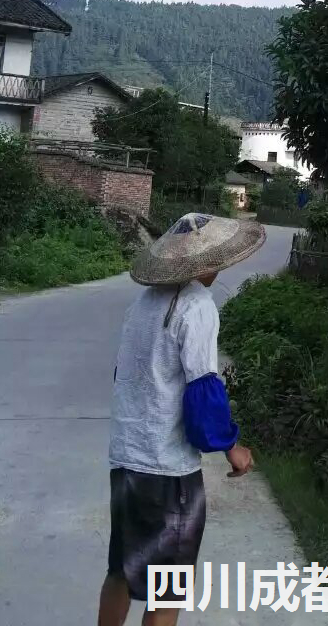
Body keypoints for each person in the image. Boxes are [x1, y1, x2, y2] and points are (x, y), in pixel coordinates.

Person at [98, 212, 262, 626]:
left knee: (121, 567)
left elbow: (127, 374)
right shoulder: (196, 306)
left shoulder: (143, 303)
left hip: (127, 456)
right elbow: (203, 392)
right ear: (205, 263)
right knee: (168, 583)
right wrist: (231, 447)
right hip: (166, 467)